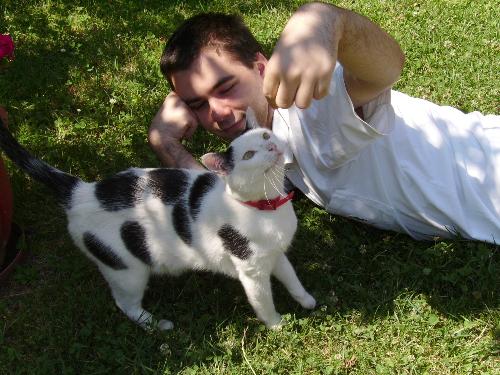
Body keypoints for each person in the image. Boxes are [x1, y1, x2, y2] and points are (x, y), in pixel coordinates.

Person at [148, 2, 500, 243]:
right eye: (198, 104)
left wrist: (328, 20)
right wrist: (166, 144)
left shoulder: (314, 104)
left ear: (260, 68)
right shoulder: (262, 145)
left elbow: (387, 68)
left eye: (226, 88)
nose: (218, 113)